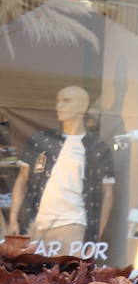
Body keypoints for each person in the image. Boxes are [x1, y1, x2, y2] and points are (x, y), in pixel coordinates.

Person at [7, 85, 115, 254]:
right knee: (33, 276)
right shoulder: (40, 141)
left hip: (72, 226)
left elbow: (107, 193)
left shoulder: (97, 148)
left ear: (82, 106)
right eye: (57, 101)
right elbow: (21, 180)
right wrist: (13, 218)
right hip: (36, 224)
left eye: (66, 101)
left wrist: (96, 237)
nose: (59, 106)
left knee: (69, 276)